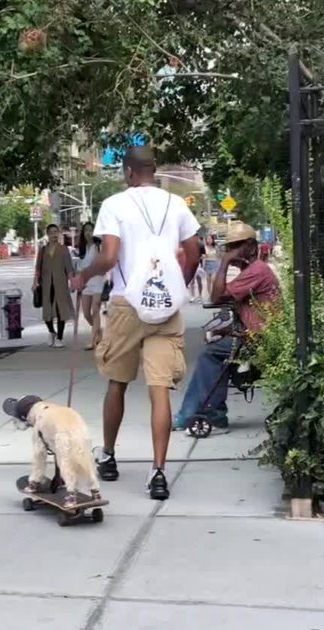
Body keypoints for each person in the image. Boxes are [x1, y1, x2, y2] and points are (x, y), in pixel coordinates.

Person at [71, 146, 200, 501]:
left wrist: (84, 275)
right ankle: (158, 473)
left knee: (117, 383)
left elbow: (109, 257)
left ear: (128, 172)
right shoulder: (177, 204)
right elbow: (194, 251)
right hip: (166, 305)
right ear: (154, 170)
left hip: (128, 303)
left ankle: (109, 457)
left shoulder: (115, 205)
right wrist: (181, 284)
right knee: (159, 389)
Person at [173, 223, 279, 431]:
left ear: (250, 246)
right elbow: (249, 315)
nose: (231, 251)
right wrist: (225, 330)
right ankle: (211, 412)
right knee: (217, 352)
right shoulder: (252, 270)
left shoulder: (256, 270)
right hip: (253, 335)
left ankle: (199, 414)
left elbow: (216, 296)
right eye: (230, 247)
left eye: (236, 246)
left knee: (210, 355)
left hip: (259, 340)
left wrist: (225, 263)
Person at [33, 223, 75, 348]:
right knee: (47, 312)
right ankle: (51, 332)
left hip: (60, 283)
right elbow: (38, 268)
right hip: (46, 284)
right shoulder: (43, 250)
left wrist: (72, 282)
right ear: (47, 234)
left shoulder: (63, 249)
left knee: (61, 310)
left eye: (56, 232)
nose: (54, 235)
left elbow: (69, 268)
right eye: (51, 232)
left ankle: (60, 338)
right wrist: (35, 282)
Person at [75, 221, 106, 350]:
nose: (88, 233)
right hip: (86, 283)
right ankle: (99, 333)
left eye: (91, 230)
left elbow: (102, 264)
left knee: (95, 310)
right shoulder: (82, 248)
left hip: (98, 281)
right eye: (86, 230)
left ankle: (93, 341)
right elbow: (79, 266)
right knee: (87, 313)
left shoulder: (98, 246)